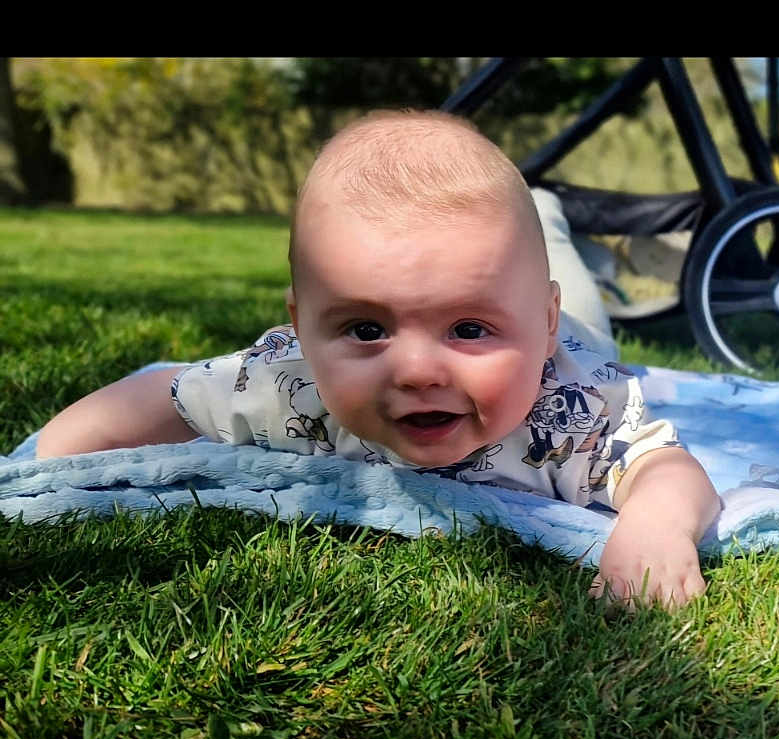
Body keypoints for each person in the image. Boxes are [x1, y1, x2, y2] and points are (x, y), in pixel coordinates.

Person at [36, 109, 720, 608]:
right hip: (527, 307)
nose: (417, 370)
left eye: (469, 328)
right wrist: (46, 462)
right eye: (366, 328)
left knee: (584, 303)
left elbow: (664, 468)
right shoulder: (284, 387)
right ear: (301, 331)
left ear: (536, 327)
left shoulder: (571, 411)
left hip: (574, 329)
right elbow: (167, 393)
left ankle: (555, 229)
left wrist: (656, 525)